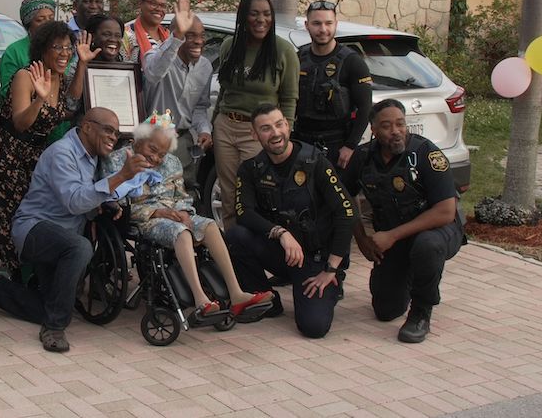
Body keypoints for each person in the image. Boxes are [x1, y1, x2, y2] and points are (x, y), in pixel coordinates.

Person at [0, 108, 150, 353]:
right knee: (80, 248)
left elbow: (87, 199)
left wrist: (105, 203)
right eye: (108, 130)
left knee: (48, 305)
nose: (113, 137)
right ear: (87, 126)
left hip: (63, 237)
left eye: (117, 133)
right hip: (35, 229)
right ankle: (54, 328)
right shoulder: (62, 153)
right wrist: (121, 177)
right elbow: (75, 201)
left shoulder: (92, 156)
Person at [100, 114, 272, 320]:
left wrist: (184, 212)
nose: (156, 158)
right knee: (182, 232)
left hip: (174, 214)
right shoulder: (116, 160)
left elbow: (181, 196)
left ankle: (236, 293)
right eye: (152, 150)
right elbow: (114, 204)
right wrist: (157, 212)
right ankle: (201, 299)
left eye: (161, 154)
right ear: (137, 141)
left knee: (209, 226)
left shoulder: (172, 163)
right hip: (143, 219)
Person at [225, 103, 356, 338]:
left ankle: (333, 286)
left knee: (313, 328)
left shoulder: (315, 162)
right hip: (284, 252)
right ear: (254, 135)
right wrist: (280, 233)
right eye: (265, 129)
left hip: (316, 260)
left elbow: (347, 212)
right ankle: (267, 300)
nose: (275, 133)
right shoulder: (251, 169)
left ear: (287, 125)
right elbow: (244, 212)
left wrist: (331, 269)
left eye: (278, 125)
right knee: (236, 236)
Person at [345, 99, 464, 344]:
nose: (396, 131)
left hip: (438, 231)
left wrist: (392, 236)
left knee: (426, 247)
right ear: (374, 130)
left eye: (400, 124)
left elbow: (445, 211)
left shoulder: (426, 154)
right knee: (385, 310)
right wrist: (362, 239)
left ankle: (421, 312)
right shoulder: (363, 156)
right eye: (387, 126)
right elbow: (343, 199)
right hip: (396, 237)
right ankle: (412, 273)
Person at [0, 21, 96, 276]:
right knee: (10, 213)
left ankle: (29, 272)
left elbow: (70, 104)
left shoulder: (60, 75)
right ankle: (5, 276)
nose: (64, 53)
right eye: (57, 47)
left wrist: (82, 63)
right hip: (8, 152)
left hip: (37, 152)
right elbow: (20, 123)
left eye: (68, 48)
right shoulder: (27, 76)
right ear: (42, 49)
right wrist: (39, 99)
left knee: (34, 210)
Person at [213, 0, 298, 229]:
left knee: (256, 191)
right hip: (226, 126)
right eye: (254, 14)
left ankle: (258, 245)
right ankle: (232, 248)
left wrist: (284, 132)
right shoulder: (229, 46)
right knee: (229, 194)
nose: (261, 20)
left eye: (267, 14)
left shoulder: (283, 51)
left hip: (259, 131)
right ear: (243, 17)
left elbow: (290, 97)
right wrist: (213, 125)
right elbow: (223, 91)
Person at [142, 0, 212, 192]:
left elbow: (199, 107)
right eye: (190, 35)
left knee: (182, 198)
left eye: (201, 35)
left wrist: (204, 130)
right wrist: (178, 35)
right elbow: (154, 73)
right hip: (152, 142)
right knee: (152, 198)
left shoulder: (204, 66)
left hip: (183, 144)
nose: (198, 41)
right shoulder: (156, 57)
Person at [293, 0, 373, 170]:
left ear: (336, 24)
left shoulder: (352, 62)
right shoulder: (299, 58)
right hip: (301, 140)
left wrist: (350, 146)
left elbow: (365, 108)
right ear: (307, 25)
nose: (323, 29)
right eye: (316, 23)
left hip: (337, 145)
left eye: (328, 23)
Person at [0, 0, 57, 99]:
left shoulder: (61, 48)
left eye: (51, 18)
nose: (48, 23)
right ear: (28, 24)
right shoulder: (13, 51)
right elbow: (6, 90)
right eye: (40, 20)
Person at [123, 0, 170, 64]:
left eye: (163, 6)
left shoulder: (168, 36)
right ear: (140, 4)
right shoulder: (126, 34)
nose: (159, 9)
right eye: (153, 4)